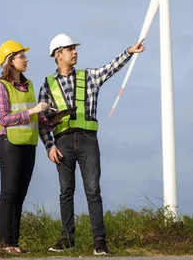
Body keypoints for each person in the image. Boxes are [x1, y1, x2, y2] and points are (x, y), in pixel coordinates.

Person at [37, 33, 145, 256]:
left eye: (75, 48)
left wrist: (128, 52)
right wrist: (50, 146)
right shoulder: (47, 85)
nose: (75, 51)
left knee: (93, 191)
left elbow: (110, 68)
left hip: (88, 140)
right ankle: (67, 239)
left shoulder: (90, 77)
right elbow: (41, 121)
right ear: (58, 55)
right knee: (66, 192)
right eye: (70, 49)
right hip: (62, 142)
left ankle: (100, 242)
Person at [0, 40, 51, 255]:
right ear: (10, 61)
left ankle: (14, 243)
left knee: (21, 195)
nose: (26, 59)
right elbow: (3, 119)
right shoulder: (1, 86)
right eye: (21, 56)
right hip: (9, 144)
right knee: (9, 193)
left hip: (28, 143)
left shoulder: (30, 85)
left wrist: (50, 119)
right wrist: (33, 111)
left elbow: (33, 117)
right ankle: (5, 243)